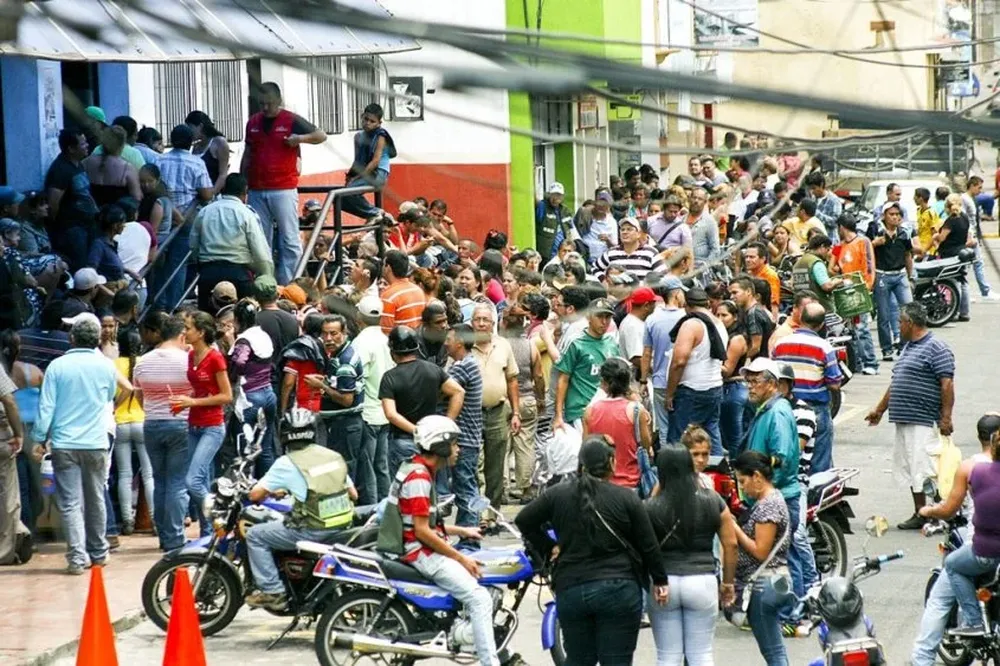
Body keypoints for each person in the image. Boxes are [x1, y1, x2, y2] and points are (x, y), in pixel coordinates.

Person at [516, 437, 669, 666]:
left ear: (581, 464)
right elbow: (648, 545)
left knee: (579, 660)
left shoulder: (557, 495)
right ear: (611, 462)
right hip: (620, 590)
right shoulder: (627, 498)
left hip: (572, 589)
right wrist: (660, 580)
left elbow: (524, 520)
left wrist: (550, 548)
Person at [377, 415, 499, 666]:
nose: (458, 449)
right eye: (454, 444)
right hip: (419, 553)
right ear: (440, 446)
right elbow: (421, 532)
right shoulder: (420, 478)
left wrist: (463, 532)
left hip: (415, 546)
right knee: (480, 598)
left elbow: (423, 523)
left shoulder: (416, 469)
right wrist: (461, 557)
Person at [244, 408, 357, 610]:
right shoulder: (332, 455)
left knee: (255, 535)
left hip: (314, 529)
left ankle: (273, 591)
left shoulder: (286, 463)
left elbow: (255, 495)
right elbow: (353, 494)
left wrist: (271, 491)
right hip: (344, 524)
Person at [31, 313, 117, 574]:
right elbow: (110, 396)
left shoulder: (57, 367)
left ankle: (77, 559)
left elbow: (46, 407)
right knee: (96, 498)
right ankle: (99, 553)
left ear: (71, 338)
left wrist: (38, 438)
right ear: (97, 339)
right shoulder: (106, 367)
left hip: (65, 444)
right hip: (96, 441)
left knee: (70, 502)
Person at [912, 413, 1000, 664]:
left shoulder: (973, 469)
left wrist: (928, 510)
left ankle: (924, 657)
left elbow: (949, 508)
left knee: (940, 598)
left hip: (981, 550)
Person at [865, 302, 954, 530]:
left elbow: (946, 384)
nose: (898, 327)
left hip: (923, 419)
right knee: (911, 468)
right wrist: (879, 410)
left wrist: (946, 418)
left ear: (910, 323)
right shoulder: (908, 348)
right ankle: (920, 512)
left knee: (925, 469)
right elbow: (896, 382)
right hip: (904, 418)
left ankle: (934, 513)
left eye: (900, 323)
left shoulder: (937, 348)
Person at [646, 446, 737, 665]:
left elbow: (644, 547)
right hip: (702, 580)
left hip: (663, 583)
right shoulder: (712, 501)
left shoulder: (650, 507)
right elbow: (731, 544)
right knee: (701, 654)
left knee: (668, 655)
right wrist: (727, 583)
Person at [242, 82, 327, 285]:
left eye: (269, 103)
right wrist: (242, 179)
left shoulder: (291, 119)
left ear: (278, 101)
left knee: (289, 238)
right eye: (261, 103)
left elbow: (320, 135)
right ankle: (266, 281)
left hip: (283, 187)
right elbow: (247, 153)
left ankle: (290, 282)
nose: (265, 108)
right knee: (260, 239)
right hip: (256, 188)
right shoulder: (253, 122)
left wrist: (300, 138)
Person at [169, 311, 233, 537]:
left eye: (188, 328)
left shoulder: (215, 358)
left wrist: (191, 401)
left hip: (212, 425)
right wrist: (185, 403)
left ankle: (218, 515)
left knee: (192, 480)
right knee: (202, 477)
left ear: (201, 332)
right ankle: (208, 533)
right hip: (194, 423)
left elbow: (227, 396)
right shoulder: (190, 355)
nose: (184, 332)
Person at [132, 313, 191, 551]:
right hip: (181, 423)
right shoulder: (188, 361)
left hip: (152, 423)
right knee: (177, 482)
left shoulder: (142, 361)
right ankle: (176, 538)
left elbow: (138, 395)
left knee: (159, 480)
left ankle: (164, 535)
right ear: (181, 336)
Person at [730, 450, 793, 666]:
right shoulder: (769, 501)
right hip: (770, 583)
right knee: (775, 650)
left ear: (757, 476)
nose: (742, 487)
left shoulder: (769, 505)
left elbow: (760, 551)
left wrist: (734, 529)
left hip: (764, 584)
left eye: (743, 480)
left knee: (774, 653)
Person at [379, 326, 465, 478]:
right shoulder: (433, 370)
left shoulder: (389, 377)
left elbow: (391, 414)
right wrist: (445, 425)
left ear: (392, 352)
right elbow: (458, 391)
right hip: (432, 442)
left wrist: (416, 431)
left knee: (405, 489)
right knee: (433, 488)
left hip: (403, 441)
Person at [772, 303, 842, 474]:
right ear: (821, 325)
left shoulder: (780, 344)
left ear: (801, 319)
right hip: (815, 408)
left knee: (785, 454)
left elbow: (772, 373)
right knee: (818, 460)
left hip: (785, 406)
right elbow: (834, 383)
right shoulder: (824, 347)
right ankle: (817, 495)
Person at [189, 173, 273, 313]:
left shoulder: (205, 211)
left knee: (205, 324)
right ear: (245, 192)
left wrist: (200, 264)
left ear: (223, 189)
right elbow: (260, 250)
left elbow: (193, 245)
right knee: (244, 321)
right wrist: (267, 274)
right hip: (238, 274)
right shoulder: (246, 213)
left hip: (208, 272)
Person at [154, 124, 214, 310]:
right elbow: (206, 194)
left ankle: (158, 305)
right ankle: (174, 305)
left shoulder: (159, 161)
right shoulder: (196, 162)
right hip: (187, 218)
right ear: (190, 143)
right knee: (178, 264)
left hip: (162, 216)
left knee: (158, 263)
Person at [775, 362, 818, 616]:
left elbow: (793, 451)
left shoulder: (803, 413)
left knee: (796, 535)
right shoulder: (767, 409)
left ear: (788, 386)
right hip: (771, 482)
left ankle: (813, 586)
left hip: (795, 481)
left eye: (779, 382)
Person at [665, 287, 728, 453]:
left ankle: (678, 477)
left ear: (686, 305)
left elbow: (679, 361)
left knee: (679, 441)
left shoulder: (691, 324)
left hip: (691, 391)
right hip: (714, 387)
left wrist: (670, 392)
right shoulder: (719, 323)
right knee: (712, 435)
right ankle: (718, 474)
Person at [470, 304, 520, 508]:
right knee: (473, 465)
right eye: (477, 320)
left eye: (486, 320)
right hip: (471, 414)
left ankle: (492, 512)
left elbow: (512, 380)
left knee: (496, 466)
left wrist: (516, 412)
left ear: (493, 324)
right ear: (471, 323)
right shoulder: (464, 347)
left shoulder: (503, 345)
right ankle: (476, 513)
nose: (481, 324)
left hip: (498, 413)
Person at [583, 358, 653, 492]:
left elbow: (586, 447)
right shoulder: (636, 411)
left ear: (603, 382)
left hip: (599, 485)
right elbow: (646, 445)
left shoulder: (590, 411)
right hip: (630, 484)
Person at [310, 315, 365, 484]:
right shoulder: (338, 355)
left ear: (344, 333)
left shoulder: (345, 362)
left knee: (343, 473)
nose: (328, 339)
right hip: (341, 424)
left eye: (333, 334)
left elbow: (347, 400)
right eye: (325, 334)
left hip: (345, 425)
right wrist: (326, 382)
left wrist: (322, 386)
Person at [553, 298, 622, 432]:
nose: (604, 322)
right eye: (599, 316)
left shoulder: (612, 343)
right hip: (580, 411)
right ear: (589, 317)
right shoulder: (576, 343)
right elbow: (563, 379)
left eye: (607, 317)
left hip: (607, 408)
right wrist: (559, 415)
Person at [442, 324, 484, 539]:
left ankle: (469, 540)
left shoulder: (462, 367)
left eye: (448, 338)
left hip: (464, 440)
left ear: (459, 341)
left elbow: (442, 391)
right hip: (471, 437)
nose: (445, 343)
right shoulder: (468, 363)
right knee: (468, 488)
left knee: (466, 491)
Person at [111, 327, 153, 536]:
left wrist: (115, 406)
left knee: (124, 474)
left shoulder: (113, 364)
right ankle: (154, 518)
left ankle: (127, 521)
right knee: (148, 473)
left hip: (120, 422)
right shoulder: (145, 364)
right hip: (142, 421)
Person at [228, 298, 278, 473]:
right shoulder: (263, 335)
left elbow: (239, 362)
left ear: (237, 320)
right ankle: (267, 491)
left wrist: (232, 374)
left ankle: (245, 494)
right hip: (268, 393)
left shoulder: (244, 340)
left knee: (244, 451)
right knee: (265, 448)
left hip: (249, 398)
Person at [352, 296, 394, 503]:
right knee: (382, 465)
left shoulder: (360, 343)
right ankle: (387, 507)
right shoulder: (386, 340)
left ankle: (371, 510)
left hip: (368, 412)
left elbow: (359, 377)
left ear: (359, 316)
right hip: (386, 412)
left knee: (368, 467)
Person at [503, 307, 543, 504]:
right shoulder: (530, 346)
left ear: (504, 323)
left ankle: (501, 489)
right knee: (525, 444)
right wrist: (541, 398)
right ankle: (525, 488)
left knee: (502, 445)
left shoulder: (499, 346)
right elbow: (539, 376)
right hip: (526, 398)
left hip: (504, 400)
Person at [641, 277, 688, 448]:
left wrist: (643, 380)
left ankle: (665, 464)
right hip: (683, 380)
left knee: (663, 428)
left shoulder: (651, 319)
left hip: (660, 380)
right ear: (676, 294)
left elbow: (646, 353)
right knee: (682, 427)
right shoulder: (686, 317)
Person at [45, 129, 98, 270]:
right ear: (71, 148)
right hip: (72, 229)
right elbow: (53, 203)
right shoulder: (60, 170)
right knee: (80, 267)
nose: (87, 145)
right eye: (83, 143)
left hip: (86, 225)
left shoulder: (78, 164)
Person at [833, 213, 879, 374]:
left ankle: (871, 362)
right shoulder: (840, 246)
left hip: (859, 290)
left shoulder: (863, 242)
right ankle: (858, 362)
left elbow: (869, 265)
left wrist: (867, 286)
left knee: (862, 328)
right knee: (851, 329)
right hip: (845, 291)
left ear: (842, 227)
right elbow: (833, 266)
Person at [340, 103, 396, 225]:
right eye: (366, 119)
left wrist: (358, 177)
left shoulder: (381, 135)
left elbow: (376, 161)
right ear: (362, 117)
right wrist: (350, 177)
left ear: (379, 123)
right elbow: (357, 161)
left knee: (348, 192)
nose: (368, 123)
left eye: (372, 121)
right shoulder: (358, 136)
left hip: (378, 173)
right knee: (339, 200)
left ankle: (375, 213)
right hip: (364, 173)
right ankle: (374, 214)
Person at [871, 202, 914, 361]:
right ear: (884, 216)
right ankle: (886, 349)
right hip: (882, 275)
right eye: (892, 214)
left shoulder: (904, 233)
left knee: (909, 312)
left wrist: (910, 277)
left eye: (897, 214)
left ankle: (903, 346)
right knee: (883, 315)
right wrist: (875, 243)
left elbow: (908, 255)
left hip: (901, 275)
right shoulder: (876, 230)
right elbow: (866, 249)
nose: (895, 217)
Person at [716, 300, 750, 458]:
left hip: (733, 389)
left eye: (725, 315)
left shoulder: (736, 339)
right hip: (728, 390)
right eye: (717, 315)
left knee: (734, 438)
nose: (720, 318)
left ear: (735, 317)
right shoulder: (723, 336)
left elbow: (727, 370)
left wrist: (705, 363)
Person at [933, 192, 973, 321]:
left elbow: (942, 238)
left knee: (953, 283)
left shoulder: (951, 221)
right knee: (963, 282)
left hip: (950, 254)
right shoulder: (964, 217)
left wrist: (935, 235)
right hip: (962, 252)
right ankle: (964, 312)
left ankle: (954, 312)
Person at [82, 126, 142, 209]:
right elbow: (137, 197)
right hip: (117, 218)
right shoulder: (127, 168)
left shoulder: (86, 162)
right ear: (122, 144)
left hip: (90, 214)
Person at [278, 314, 327, 415]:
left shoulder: (298, 349)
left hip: (301, 405)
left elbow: (288, 383)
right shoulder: (327, 347)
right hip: (323, 402)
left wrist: (282, 409)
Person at [960, 175, 998, 301]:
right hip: (969, 237)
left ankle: (983, 290)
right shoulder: (965, 199)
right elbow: (964, 220)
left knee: (977, 263)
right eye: (979, 187)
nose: (980, 191)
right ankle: (968, 292)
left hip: (974, 236)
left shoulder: (972, 199)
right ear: (972, 186)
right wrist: (969, 237)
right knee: (968, 265)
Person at [791, 234, 844, 320]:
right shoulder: (816, 263)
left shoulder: (798, 263)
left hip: (802, 310)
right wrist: (838, 281)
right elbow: (827, 286)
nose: (827, 253)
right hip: (819, 310)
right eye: (827, 249)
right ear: (822, 246)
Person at [380, 250, 427, 333]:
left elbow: (386, 332)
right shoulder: (418, 290)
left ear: (388, 268)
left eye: (383, 264)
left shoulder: (389, 296)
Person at [186, 110, 231, 195]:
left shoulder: (219, 142)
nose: (189, 132)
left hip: (213, 194)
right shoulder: (196, 146)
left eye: (191, 127)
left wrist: (212, 193)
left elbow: (223, 174)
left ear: (200, 126)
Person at [729, 276, 773, 360]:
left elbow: (755, 347)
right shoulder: (752, 311)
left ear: (748, 291)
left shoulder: (753, 313)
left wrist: (736, 361)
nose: (731, 297)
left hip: (759, 365)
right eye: (730, 293)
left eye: (735, 293)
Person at [618, 286, 657, 378]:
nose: (655, 307)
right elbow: (636, 358)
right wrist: (656, 371)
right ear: (646, 305)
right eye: (653, 303)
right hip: (635, 379)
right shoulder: (632, 325)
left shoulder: (637, 322)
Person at [535, 182, 574, 260]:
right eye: (553, 195)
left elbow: (570, 230)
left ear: (563, 196)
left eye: (559, 195)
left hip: (563, 253)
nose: (556, 198)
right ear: (549, 195)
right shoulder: (542, 206)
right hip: (546, 254)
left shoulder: (565, 210)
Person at [744, 242, 781, 320]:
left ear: (763, 259)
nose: (747, 260)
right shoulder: (749, 274)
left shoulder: (770, 276)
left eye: (752, 257)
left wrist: (773, 323)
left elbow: (773, 304)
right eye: (746, 257)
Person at [805, 173, 843, 241]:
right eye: (810, 189)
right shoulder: (813, 199)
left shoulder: (834, 200)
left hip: (830, 241)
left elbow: (835, 222)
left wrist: (816, 213)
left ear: (821, 185)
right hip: (815, 242)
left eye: (814, 188)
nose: (812, 192)